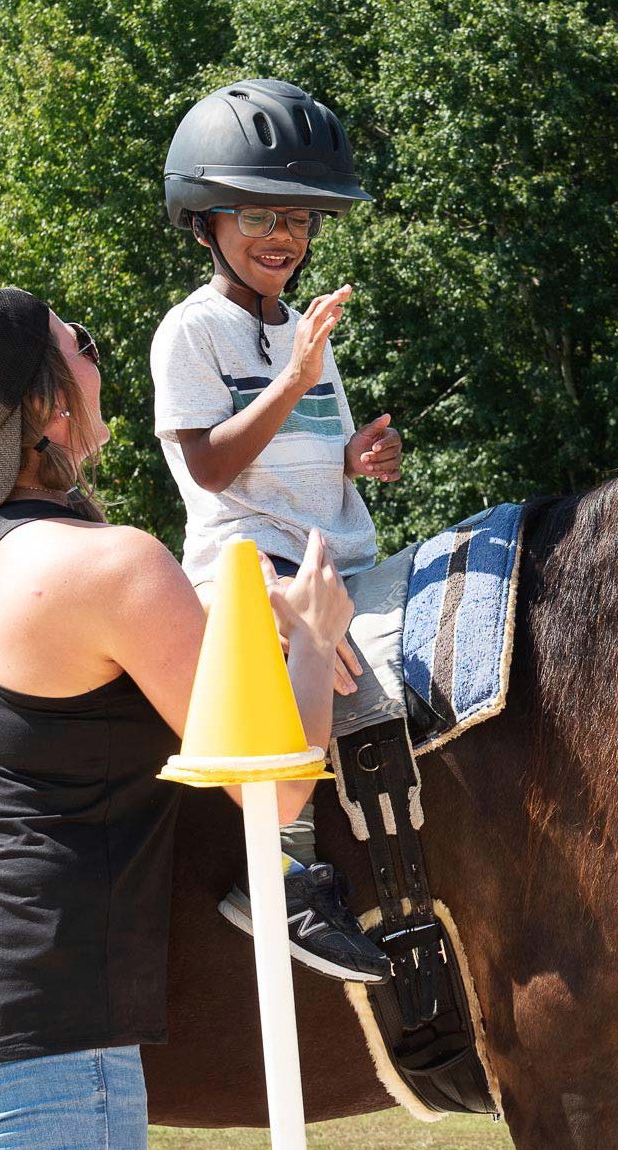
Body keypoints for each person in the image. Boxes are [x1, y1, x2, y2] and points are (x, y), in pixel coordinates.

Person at [0, 287, 353, 1150]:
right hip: (41, 1038)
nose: (96, 357)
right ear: (46, 404)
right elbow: (276, 792)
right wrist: (316, 638)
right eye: (78, 345)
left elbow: (42, 709)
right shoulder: (115, 563)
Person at [153, 78, 401, 983]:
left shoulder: (304, 331)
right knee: (301, 661)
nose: (282, 237)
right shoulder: (191, 331)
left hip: (334, 553)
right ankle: (280, 876)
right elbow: (213, 469)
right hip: (245, 567)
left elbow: (300, 457)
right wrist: (292, 383)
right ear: (206, 219)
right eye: (258, 214)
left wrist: (356, 459)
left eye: (297, 217)